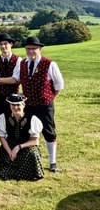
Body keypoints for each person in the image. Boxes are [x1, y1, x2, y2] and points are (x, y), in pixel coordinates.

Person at [19, 36, 64, 173]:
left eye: (33, 48)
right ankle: (27, 159)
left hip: (45, 105)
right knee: (27, 131)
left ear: (40, 49)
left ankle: (52, 162)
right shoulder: (23, 64)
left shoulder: (50, 64)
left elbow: (59, 85)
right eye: (28, 49)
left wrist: (49, 98)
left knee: (49, 132)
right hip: (29, 105)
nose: (30, 51)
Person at [0, 93, 44, 181]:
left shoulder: (32, 119)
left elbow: (35, 141)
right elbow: (2, 137)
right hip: (9, 145)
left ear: (23, 104)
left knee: (32, 154)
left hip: (26, 145)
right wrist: (9, 151)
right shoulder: (3, 117)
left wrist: (19, 147)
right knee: (6, 157)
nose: (15, 107)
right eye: (13, 105)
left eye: (18, 105)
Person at [0, 33, 21, 118]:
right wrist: (9, 80)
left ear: (11, 44)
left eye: (5, 44)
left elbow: (15, 80)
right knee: (0, 122)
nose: (3, 46)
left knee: (13, 121)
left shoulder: (18, 60)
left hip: (14, 98)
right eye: (0, 44)